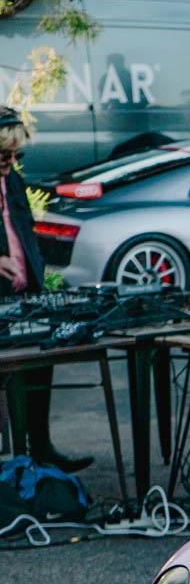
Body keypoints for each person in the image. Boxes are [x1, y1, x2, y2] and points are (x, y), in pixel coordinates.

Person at [0, 114, 91, 471]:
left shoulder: (15, 183)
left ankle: (41, 450)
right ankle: (17, 460)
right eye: (4, 155)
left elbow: (26, 235)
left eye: (15, 155)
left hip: (25, 295)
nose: (11, 162)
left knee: (41, 366)